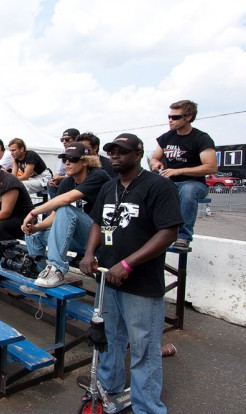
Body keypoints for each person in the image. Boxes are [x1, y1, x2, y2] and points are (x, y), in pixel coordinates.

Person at [79, 133, 183, 414]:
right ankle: (109, 389)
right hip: (108, 280)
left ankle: (147, 407)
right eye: (112, 150)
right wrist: (89, 254)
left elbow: (168, 232)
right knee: (109, 341)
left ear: (138, 153)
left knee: (144, 350)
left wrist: (127, 264)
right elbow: (97, 223)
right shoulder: (109, 186)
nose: (114, 155)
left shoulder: (158, 187)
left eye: (122, 151)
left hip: (141, 285)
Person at [20, 142, 111, 289]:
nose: (67, 163)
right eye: (64, 159)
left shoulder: (98, 175)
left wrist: (33, 212)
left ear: (86, 161)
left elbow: (65, 201)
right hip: (81, 237)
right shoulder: (68, 181)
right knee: (33, 235)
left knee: (66, 209)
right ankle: (39, 275)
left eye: (72, 159)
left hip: (100, 236)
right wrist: (36, 227)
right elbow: (54, 216)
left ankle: (57, 269)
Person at [149, 99, 218, 250]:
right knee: (146, 188)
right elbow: (154, 157)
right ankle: (148, 232)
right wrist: (156, 164)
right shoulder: (167, 137)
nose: (170, 120)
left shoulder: (201, 138)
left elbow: (211, 167)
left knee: (188, 191)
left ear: (188, 117)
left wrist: (179, 170)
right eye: (169, 116)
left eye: (175, 117)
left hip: (194, 183)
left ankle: (183, 237)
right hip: (169, 182)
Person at [49, 128, 79, 198]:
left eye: (67, 139)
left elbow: (75, 173)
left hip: (76, 178)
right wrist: (55, 178)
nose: (64, 142)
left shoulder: (81, 151)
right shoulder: (63, 151)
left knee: (64, 182)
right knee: (50, 182)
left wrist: (60, 178)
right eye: (62, 140)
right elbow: (59, 170)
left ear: (76, 139)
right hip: (66, 177)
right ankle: (56, 204)